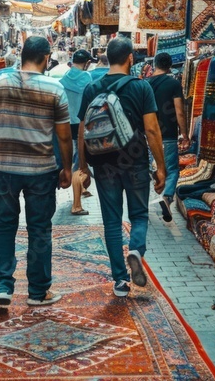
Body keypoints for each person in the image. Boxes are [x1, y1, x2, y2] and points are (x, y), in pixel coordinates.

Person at [0, 36, 73, 309]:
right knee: (39, 228)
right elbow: (64, 137)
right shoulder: (54, 88)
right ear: (45, 57)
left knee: (4, 226)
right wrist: (67, 168)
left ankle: (4, 286)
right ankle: (37, 292)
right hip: (41, 170)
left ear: (22, 56)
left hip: (4, 168)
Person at [78, 37, 165, 297]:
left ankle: (120, 281)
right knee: (138, 215)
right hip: (135, 161)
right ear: (130, 58)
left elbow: (82, 131)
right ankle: (136, 249)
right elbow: (151, 129)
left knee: (112, 222)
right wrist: (161, 167)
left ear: (107, 57)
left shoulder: (92, 88)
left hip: (104, 164)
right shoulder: (142, 87)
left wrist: (83, 167)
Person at [146, 52, 190, 223]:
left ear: (154, 64)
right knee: (171, 170)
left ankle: (146, 201)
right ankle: (167, 197)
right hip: (168, 135)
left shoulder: (145, 83)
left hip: (147, 134)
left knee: (151, 168)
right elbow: (179, 110)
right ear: (170, 66)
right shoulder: (173, 83)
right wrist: (184, 134)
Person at [60, 49, 98, 215]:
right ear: (87, 63)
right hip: (81, 124)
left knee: (71, 159)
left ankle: (80, 190)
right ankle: (76, 204)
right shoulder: (87, 78)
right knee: (79, 163)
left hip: (64, 124)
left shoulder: (63, 78)